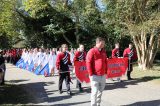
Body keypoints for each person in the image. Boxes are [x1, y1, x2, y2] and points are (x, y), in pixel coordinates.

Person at [86, 37, 107, 106]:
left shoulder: (103, 51)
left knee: (100, 91)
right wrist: (91, 74)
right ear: (97, 43)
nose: (103, 45)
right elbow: (88, 62)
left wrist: (106, 72)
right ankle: (93, 104)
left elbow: (105, 62)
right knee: (94, 92)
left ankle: (98, 104)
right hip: (94, 76)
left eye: (104, 44)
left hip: (103, 75)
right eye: (102, 43)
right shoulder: (92, 51)